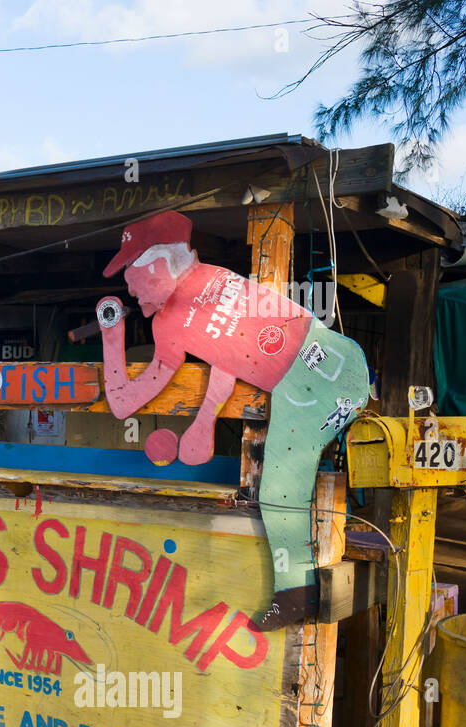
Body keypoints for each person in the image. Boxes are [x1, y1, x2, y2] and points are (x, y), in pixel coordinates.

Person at [97, 209, 370, 629]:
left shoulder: (171, 323)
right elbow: (227, 355)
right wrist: (206, 415)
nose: (134, 297)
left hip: (308, 381)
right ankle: (305, 582)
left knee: (279, 490)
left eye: (134, 285)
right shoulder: (215, 276)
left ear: (156, 265)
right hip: (342, 357)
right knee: (319, 477)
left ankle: (297, 593)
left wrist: (111, 339)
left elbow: (123, 402)